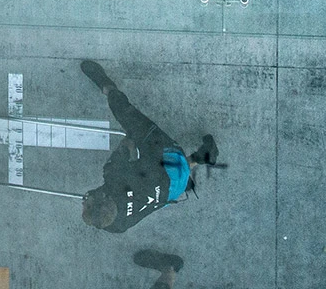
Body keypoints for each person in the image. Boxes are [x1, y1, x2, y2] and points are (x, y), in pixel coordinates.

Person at [75, 59, 222, 233]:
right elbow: (128, 146)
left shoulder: (117, 225)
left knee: (161, 178)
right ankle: (108, 88)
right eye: (87, 203)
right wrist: (132, 141)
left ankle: (202, 156)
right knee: (130, 121)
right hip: (168, 165)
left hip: (175, 190)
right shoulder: (115, 176)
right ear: (103, 196)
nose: (83, 202)